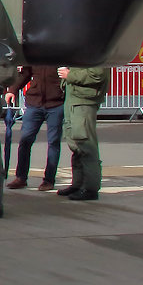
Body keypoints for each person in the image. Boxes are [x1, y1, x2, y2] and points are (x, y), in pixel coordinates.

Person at [5, 65, 65, 191]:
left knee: (53, 142)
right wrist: (12, 90)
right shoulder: (37, 52)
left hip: (56, 103)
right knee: (25, 140)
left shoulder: (61, 51)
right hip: (34, 103)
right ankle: (21, 178)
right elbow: (26, 73)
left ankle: (49, 180)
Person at [57, 65, 109, 201]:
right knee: (76, 144)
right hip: (73, 99)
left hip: (83, 101)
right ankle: (78, 184)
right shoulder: (82, 49)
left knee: (85, 144)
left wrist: (70, 76)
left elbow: (97, 74)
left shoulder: (94, 49)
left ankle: (90, 188)